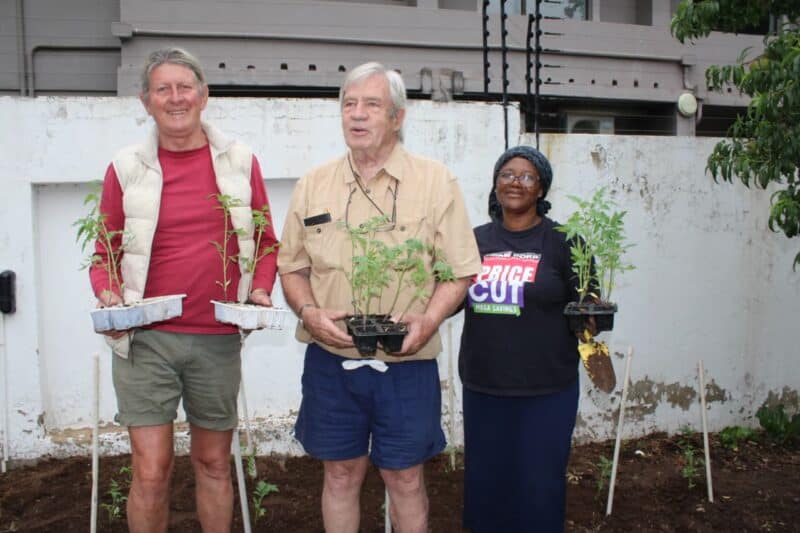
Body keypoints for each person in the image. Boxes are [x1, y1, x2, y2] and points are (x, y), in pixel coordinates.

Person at [278, 61, 480, 532]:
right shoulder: (315, 183)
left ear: (398, 117)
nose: (357, 114)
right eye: (349, 104)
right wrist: (309, 312)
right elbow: (292, 267)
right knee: (340, 473)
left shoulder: (435, 182)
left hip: (406, 364)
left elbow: (460, 272)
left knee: (405, 478)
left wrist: (427, 321)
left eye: (371, 104)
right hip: (331, 360)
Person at [88, 47, 278, 532]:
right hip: (144, 336)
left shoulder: (238, 162)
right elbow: (104, 249)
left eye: (185, 87)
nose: (176, 98)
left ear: (204, 95)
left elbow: (265, 240)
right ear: (145, 101)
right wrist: (108, 291)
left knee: (213, 463)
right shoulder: (126, 167)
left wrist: (258, 289)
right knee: (152, 470)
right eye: (162, 89)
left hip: (215, 335)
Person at [458, 146, 581, 532]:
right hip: (484, 385)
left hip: (547, 389)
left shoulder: (564, 242)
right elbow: (448, 299)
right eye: (507, 174)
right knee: (486, 483)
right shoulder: (472, 241)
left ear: (541, 189)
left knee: (539, 486)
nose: (515, 182)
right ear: (495, 185)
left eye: (526, 176)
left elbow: (589, 302)